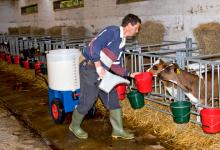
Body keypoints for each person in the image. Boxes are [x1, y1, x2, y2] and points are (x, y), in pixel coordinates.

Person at [69, 14, 142, 140]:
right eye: (136, 28)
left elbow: (115, 64)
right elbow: (94, 46)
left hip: (103, 72)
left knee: (112, 98)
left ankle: (118, 130)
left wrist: (129, 74)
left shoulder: (122, 43)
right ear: (129, 25)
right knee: (88, 100)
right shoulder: (112, 31)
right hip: (90, 67)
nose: (137, 31)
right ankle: (74, 126)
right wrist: (98, 66)